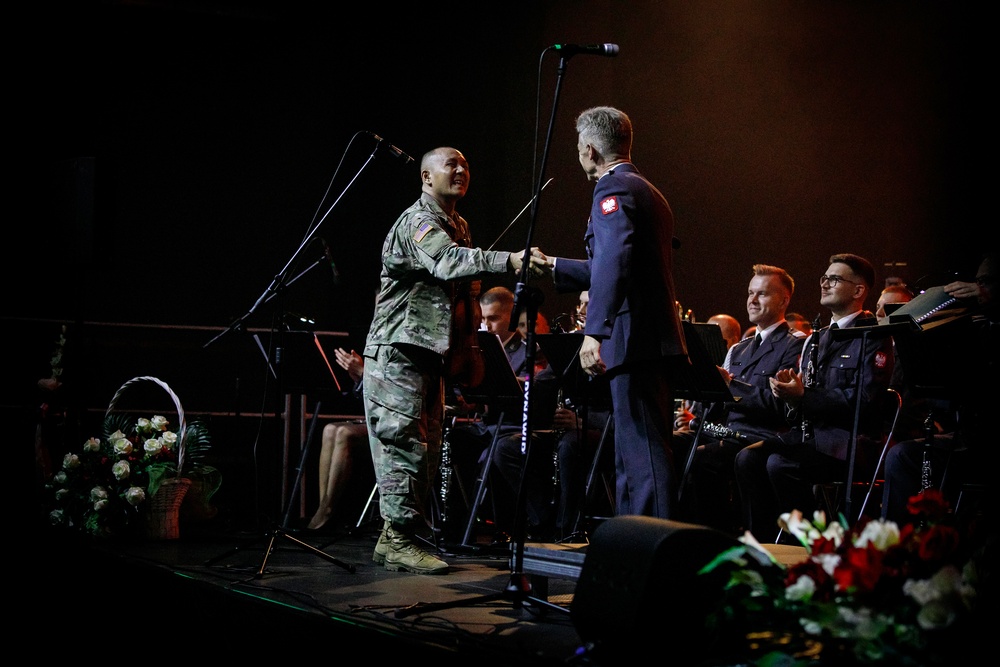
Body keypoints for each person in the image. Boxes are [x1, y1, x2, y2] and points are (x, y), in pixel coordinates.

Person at [361, 146, 547, 574]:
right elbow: (447, 264)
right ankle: (396, 540)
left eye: (466, 164)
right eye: (451, 164)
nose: (462, 169)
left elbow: (461, 295)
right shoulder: (418, 222)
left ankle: (400, 538)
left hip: (428, 356)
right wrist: (510, 260)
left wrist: (468, 353)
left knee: (425, 451)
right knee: (402, 445)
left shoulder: (457, 224)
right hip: (398, 352)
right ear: (427, 177)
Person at [534, 106, 688, 519]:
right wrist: (552, 266)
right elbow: (613, 264)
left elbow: (616, 259)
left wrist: (593, 332)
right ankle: (633, 539)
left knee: (644, 453)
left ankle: (651, 547)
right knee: (632, 451)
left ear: (588, 149)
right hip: (645, 336)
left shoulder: (613, 190)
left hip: (633, 336)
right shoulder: (645, 189)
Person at [734, 253, 895, 542]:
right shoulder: (817, 337)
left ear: (858, 291)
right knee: (748, 458)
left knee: (780, 464)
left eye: (835, 279)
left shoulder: (873, 336)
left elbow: (865, 403)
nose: (825, 283)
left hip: (848, 442)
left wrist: (804, 396)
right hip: (811, 437)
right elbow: (800, 403)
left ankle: (807, 547)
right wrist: (789, 394)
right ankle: (761, 545)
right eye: (824, 278)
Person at [673, 264, 806, 535]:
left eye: (762, 294)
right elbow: (714, 406)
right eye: (750, 293)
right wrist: (703, 385)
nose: (752, 300)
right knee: (666, 445)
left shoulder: (795, 344)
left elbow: (779, 407)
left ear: (783, 300)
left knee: (702, 460)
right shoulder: (738, 348)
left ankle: (713, 538)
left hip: (756, 436)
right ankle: (672, 534)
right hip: (721, 432)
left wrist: (730, 383)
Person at [881, 252, 998, 525]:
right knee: (903, 455)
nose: (978, 288)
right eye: (978, 280)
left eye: (989, 282)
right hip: (971, 438)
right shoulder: (975, 329)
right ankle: (900, 551)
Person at [306, 348, 371, 531]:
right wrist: (358, 377)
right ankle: (324, 506)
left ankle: (327, 511)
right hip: (377, 419)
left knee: (344, 433)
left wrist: (363, 373)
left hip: (397, 425)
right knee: (329, 429)